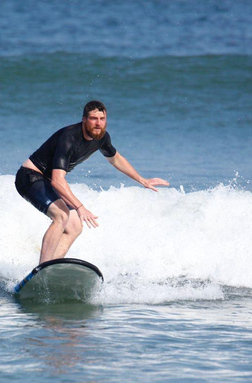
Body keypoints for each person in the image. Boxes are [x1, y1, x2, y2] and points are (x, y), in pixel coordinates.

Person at [15, 100, 170, 263]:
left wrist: (142, 180)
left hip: (47, 181)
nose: (98, 123)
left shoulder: (102, 137)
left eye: (102, 119)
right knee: (61, 216)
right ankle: (42, 267)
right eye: (93, 119)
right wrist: (80, 207)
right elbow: (57, 181)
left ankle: (51, 266)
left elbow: (116, 159)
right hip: (30, 177)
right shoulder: (69, 137)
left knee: (75, 227)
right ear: (84, 119)